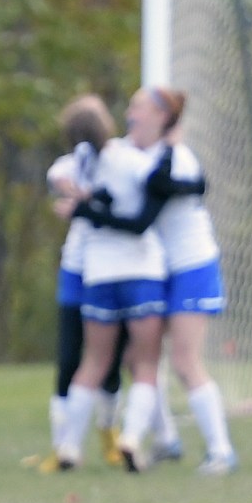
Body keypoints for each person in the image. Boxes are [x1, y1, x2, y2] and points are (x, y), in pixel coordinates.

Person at [68, 87, 239, 476]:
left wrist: (88, 212)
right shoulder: (125, 154)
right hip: (157, 267)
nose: (130, 113)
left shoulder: (176, 158)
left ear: (162, 117)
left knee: (182, 359)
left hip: (191, 265)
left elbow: (146, 213)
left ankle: (221, 450)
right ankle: (166, 439)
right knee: (135, 359)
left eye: (139, 107)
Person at [51, 95, 172, 472]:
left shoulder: (81, 165)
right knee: (145, 363)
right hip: (140, 270)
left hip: (99, 273)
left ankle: (69, 446)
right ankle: (132, 438)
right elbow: (157, 181)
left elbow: (57, 174)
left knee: (93, 362)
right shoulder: (129, 159)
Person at [43, 95, 127, 472]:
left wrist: (86, 197)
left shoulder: (121, 160)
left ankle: (108, 435)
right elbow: (57, 176)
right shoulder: (75, 163)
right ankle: (64, 447)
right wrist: (69, 188)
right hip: (79, 270)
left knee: (105, 362)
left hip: (113, 270)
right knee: (72, 359)